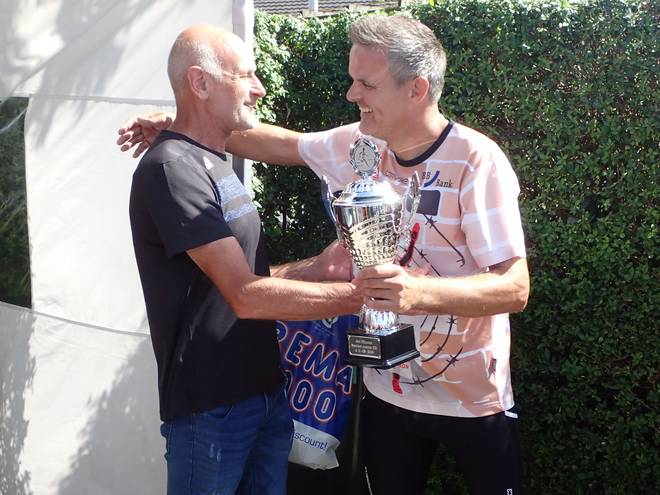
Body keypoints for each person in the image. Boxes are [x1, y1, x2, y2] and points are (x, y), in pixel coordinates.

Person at [119, 15, 530, 495]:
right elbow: (275, 142)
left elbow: (514, 288)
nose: (352, 94)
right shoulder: (360, 144)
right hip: (386, 392)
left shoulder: (477, 160)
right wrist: (182, 124)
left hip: (473, 399)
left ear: (416, 89)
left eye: (366, 84)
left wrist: (417, 294)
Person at [128, 24, 363, 495]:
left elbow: (228, 279)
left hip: (262, 393)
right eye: (246, 75)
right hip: (211, 407)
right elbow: (245, 295)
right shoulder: (173, 169)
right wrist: (364, 297)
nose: (259, 88)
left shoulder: (213, 160)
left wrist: (315, 270)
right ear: (200, 83)